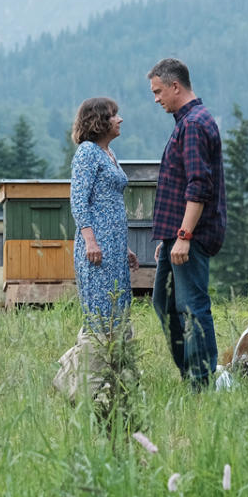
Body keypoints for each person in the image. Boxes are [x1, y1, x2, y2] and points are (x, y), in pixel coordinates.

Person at [147, 58, 227, 390]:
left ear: (175, 86)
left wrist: (183, 235)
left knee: (192, 306)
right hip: (176, 235)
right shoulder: (186, 122)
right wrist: (168, 237)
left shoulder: (193, 124)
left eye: (158, 91)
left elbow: (199, 185)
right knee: (164, 303)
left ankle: (202, 382)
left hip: (190, 235)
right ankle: (191, 374)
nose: (156, 99)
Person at [69, 97, 138, 334]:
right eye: (113, 115)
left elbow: (109, 201)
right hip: (97, 246)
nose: (119, 119)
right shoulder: (87, 152)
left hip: (114, 245)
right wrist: (90, 240)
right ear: (98, 121)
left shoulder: (108, 152)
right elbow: (78, 200)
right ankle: (89, 366)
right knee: (101, 314)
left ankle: (116, 366)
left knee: (118, 309)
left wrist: (124, 247)